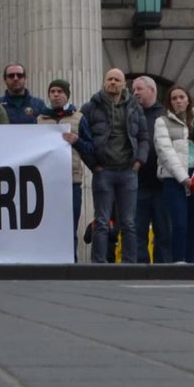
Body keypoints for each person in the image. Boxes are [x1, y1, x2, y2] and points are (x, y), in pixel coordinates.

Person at [74, 68, 148, 264]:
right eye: (109, 79)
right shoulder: (90, 107)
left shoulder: (135, 107)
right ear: (104, 82)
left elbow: (143, 137)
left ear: (124, 84)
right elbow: (81, 139)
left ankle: (129, 264)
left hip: (128, 171)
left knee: (129, 222)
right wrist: (94, 165)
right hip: (103, 171)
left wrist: (139, 162)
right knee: (101, 221)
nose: (113, 82)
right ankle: (99, 263)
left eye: (117, 79)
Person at [36, 79, 86, 261]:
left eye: (59, 91)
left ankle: (71, 263)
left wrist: (77, 141)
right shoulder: (40, 120)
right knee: (48, 226)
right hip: (47, 183)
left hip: (71, 181)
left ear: (67, 95)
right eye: (52, 92)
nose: (56, 95)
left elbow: (90, 148)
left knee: (70, 227)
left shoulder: (79, 118)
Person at [155, 84, 194, 264]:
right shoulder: (162, 122)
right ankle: (178, 261)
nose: (178, 101)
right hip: (174, 178)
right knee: (179, 223)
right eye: (174, 98)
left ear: (188, 100)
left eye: (181, 97)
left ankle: (193, 262)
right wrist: (183, 178)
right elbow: (165, 151)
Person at [131, 76, 169, 264]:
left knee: (164, 231)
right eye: (133, 89)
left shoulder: (165, 115)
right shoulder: (131, 114)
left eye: (139, 89)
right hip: (138, 183)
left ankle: (163, 268)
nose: (135, 93)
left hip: (162, 185)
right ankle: (140, 269)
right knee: (138, 231)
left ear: (152, 90)